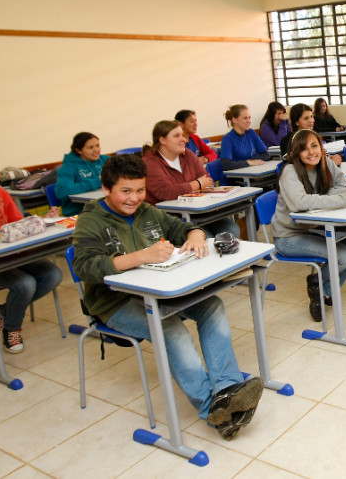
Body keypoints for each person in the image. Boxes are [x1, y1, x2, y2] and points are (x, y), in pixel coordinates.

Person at [72, 155, 261, 440]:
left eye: (140, 190)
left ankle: (226, 389)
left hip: (158, 291)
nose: (134, 198)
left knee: (211, 305)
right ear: (106, 187)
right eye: (125, 191)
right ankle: (212, 408)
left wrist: (196, 234)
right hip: (114, 302)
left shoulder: (147, 211)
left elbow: (182, 227)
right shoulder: (90, 220)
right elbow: (84, 266)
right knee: (168, 327)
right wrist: (139, 257)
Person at [0, 153, 64, 354]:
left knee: (53, 274)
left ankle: (2, 313)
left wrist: (41, 222)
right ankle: (12, 328)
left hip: (11, 256)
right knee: (25, 284)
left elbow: (18, 224)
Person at [270, 129, 346, 321]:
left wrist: (325, 198)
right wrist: (340, 199)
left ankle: (324, 289)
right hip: (288, 237)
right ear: (296, 153)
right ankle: (320, 287)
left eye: (314, 146)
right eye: (304, 149)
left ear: (321, 146)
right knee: (343, 256)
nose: (311, 152)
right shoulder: (289, 171)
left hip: (314, 229)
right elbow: (300, 203)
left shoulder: (325, 162)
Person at [141, 120, 240, 238]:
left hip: (199, 212)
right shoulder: (150, 162)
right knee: (205, 238)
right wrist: (197, 183)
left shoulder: (187, 154)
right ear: (162, 140)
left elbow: (207, 181)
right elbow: (166, 192)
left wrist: (185, 188)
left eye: (182, 135)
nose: (184, 139)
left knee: (232, 230)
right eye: (177, 136)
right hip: (170, 218)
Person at [55, 132, 109, 217]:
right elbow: (62, 191)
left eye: (97, 146)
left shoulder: (106, 160)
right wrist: (96, 181)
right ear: (79, 150)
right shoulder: (68, 167)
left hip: (104, 208)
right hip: (79, 213)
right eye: (91, 147)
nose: (96, 150)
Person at [219, 104, 272, 171]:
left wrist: (251, 162)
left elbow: (266, 155)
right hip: (237, 178)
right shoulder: (227, 139)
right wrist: (248, 162)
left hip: (253, 171)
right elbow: (226, 164)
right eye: (245, 118)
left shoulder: (251, 133)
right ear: (234, 120)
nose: (249, 121)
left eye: (249, 118)